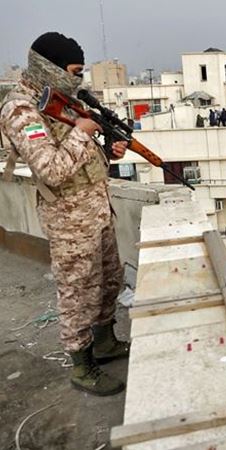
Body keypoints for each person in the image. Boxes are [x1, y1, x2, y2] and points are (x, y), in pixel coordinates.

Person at [0, 32, 130, 396]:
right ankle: (82, 366)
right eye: (74, 71)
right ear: (50, 66)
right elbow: (51, 170)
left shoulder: (61, 99)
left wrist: (108, 149)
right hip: (69, 219)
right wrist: (82, 133)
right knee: (78, 293)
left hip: (97, 208)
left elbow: (82, 154)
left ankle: (105, 344)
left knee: (108, 281)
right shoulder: (21, 108)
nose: (78, 79)